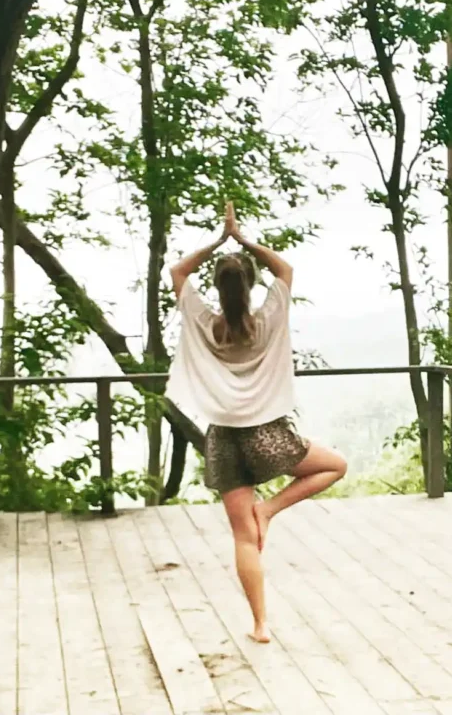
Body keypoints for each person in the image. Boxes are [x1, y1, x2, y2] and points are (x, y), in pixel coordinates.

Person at [167, 202, 347, 644]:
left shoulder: (205, 323)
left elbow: (177, 273)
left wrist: (215, 242)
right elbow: (284, 270)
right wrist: (243, 238)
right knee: (336, 465)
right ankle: (270, 510)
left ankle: (260, 625)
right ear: (249, 286)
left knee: (243, 539)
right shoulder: (268, 319)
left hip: (223, 439)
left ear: (218, 287)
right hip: (267, 433)